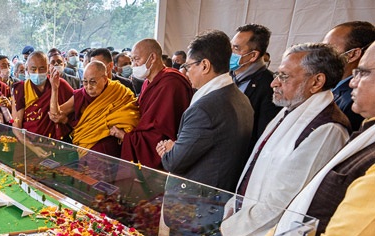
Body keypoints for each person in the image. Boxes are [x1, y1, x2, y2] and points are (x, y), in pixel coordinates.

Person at [255, 44, 375, 236]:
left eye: (363, 72)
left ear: (315, 81)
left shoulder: (330, 126)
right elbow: (308, 198)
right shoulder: (367, 131)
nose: (351, 81)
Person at [221, 43, 351, 236]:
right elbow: (257, 165)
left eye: (284, 76)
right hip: (243, 225)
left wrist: (233, 225)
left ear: (316, 82)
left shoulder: (327, 128)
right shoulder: (291, 111)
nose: (274, 82)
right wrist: (233, 208)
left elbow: (284, 198)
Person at [157, 30, 254, 191]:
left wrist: (170, 150)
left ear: (205, 65)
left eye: (188, 66)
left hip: (198, 201)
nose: (186, 72)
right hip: (222, 192)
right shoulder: (240, 97)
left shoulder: (204, 109)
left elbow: (174, 162)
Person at [119, 39, 193, 169]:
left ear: (152, 57)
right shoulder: (148, 82)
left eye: (137, 59)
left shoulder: (171, 83)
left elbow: (162, 131)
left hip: (162, 152)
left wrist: (126, 137)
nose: (134, 65)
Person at [49, 60, 140, 157]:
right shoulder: (81, 94)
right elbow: (55, 114)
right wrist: (55, 89)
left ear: (105, 79)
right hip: (85, 149)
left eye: (93, 82)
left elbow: (131, 117)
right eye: (85, 82)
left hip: (111, 152)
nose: (88, 87)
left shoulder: (118, 92)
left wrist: (120, 131)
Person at [231, 24, 282, 147]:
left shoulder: (270, 85)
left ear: (253, 55)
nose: (229, 52)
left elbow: (262, 136)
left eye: (236, 48)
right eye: (230, 46)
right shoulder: (227, 75)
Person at [323, 21, 375, 132]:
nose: (322, 56)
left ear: (353, 54)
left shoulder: (357, 100)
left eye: (329, 50)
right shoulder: (331, 87)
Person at [12, 51, 74, 141]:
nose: (37, 72)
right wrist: (33, 148)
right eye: (33, 69)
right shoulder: (21, 88)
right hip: (29, 143)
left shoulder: (60, 83)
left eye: (42, 68)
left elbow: (77, 103)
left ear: (48, 67)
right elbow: (16, 127)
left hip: (58, 143)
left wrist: (65, 118)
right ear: (27, 69)